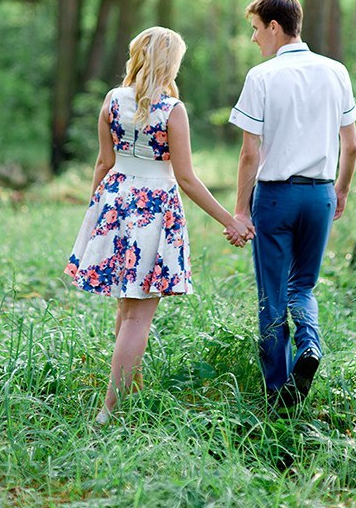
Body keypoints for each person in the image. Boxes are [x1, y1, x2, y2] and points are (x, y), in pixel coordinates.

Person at [65, 26, 254, 424]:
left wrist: (97, 213)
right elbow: (185, 178)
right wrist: (230, 221)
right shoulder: (171, 110)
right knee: (138, 315)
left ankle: (127, 396)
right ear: (171, 63)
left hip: (115, 200)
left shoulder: (113, 100)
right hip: (152, 207)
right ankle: (109, 410)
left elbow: (104, 162)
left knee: (126, 306)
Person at [229, 0, 356, 405]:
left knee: (272, 295)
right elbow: (351, 146)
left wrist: (239, 208)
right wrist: (340, 191)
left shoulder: (262, 77)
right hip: (319, 193)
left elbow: (251, 153)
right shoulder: (336, 71)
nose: (253, 39)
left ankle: (277, 395)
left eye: (255, 29)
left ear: (273, 26)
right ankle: (310, 347)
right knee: (302, 287)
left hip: (275, 197)